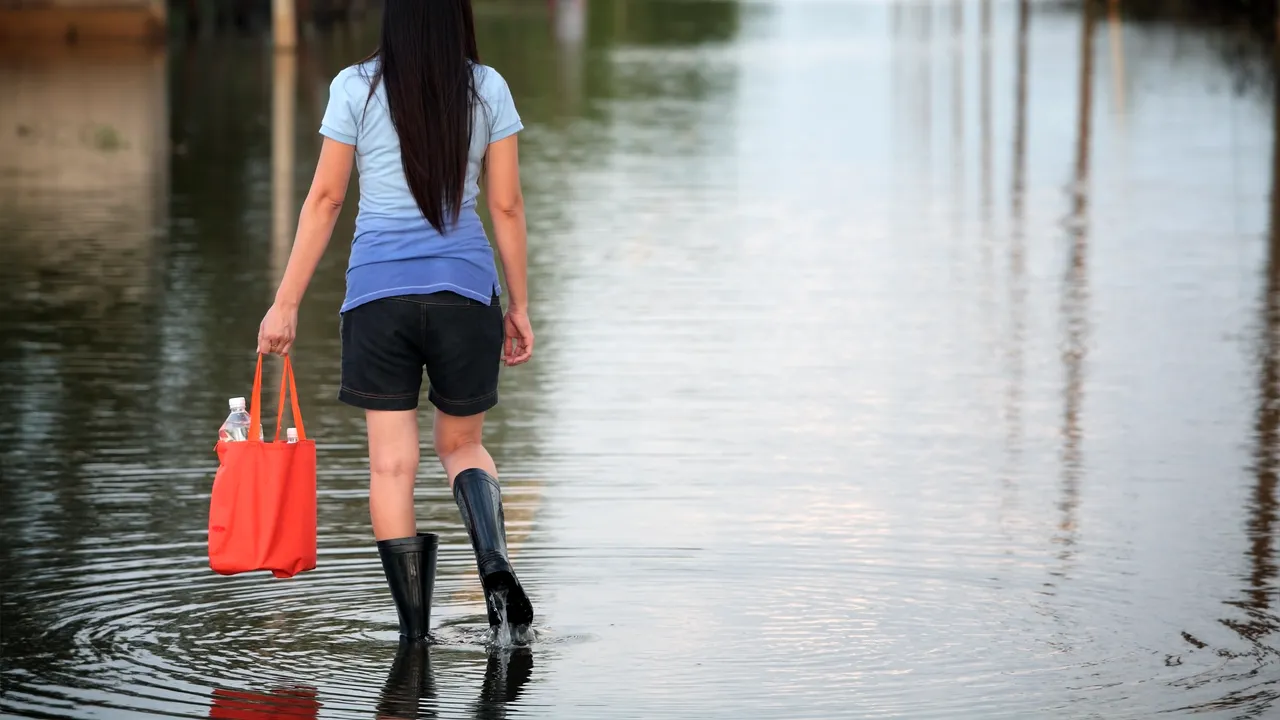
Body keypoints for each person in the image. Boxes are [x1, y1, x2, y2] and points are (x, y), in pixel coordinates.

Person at [255, 0, 534, 640]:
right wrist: (517, 305)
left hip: (378, 298)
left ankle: (414, 635)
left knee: (390, 465)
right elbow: (507, 206)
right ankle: (492, 562)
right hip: (466, 294)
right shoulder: (488, 88)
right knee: (462, 445)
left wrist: (286, 302)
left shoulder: (354, 87)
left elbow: (325, 199)